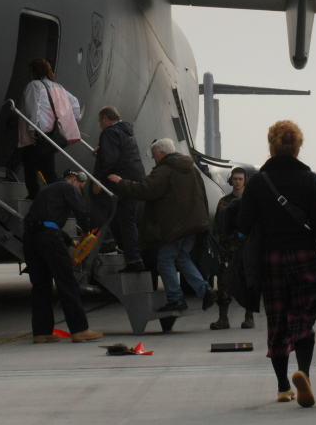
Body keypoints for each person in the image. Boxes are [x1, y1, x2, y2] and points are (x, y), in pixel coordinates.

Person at [238, 121, 316, 408]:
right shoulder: (308, 178)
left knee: (277, 320)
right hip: (305, 255)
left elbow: (243, 224)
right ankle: (303, 373)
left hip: (272, 259)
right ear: (297, 149)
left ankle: (282, 388)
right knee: (304, 317)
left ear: (271, 147)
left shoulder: (257, 181)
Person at [108, 138, 214, 313]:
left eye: (155, 154)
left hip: (175, 227)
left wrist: (121, 182)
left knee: (164, 261)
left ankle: (176, 298)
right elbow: (202, 194)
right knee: (182, 257)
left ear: (163, 153)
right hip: (193, 225)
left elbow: (145, 190)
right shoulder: (192, 169)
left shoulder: (165, 170)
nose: (153, 158)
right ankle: (205, 290)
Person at [23, 169, 103, 344]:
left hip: (30, 238)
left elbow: (45, 221)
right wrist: (85, 231)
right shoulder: (68, 187)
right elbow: (82, 211)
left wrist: (70, 241)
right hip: (49, 238)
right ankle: (80, 330)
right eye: (80, 187)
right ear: (74, 179)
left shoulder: (46, 191)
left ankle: (42, 333)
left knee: (40, 285)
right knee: (67, 282)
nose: (79, 191)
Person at [92, 106, 148, 273]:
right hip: (134, 182)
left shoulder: (108, 132)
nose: (100, 125)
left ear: (106, 118)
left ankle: (107, 240)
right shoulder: (127, 131)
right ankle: (134, 260)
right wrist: (102, 148)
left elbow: (109, 159)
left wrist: (98, 179)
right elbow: (120, 150)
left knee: (96, 201)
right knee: (127, 221)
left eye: (100, 121)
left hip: (117, 178)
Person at [16, 58, 80, 199]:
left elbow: (32, 109)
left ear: (35, 72)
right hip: (52, 135)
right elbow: (75, 104)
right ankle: (57, 196)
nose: (28, 74)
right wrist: (69, 122)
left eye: (30, 71)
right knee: (48, 170)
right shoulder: (59, 87)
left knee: (30, 164)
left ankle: (37, 195)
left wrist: (31, 130)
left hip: (38, 134)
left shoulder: (34, 86)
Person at [210, 167, 253, 330]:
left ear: (245, 181)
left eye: (240, 179)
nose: (237, 182)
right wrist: (216, 246)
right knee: (223, 282)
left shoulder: (250, 202)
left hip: (245, 249)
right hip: (227, 249)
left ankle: (249, 317)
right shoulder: (224, 201)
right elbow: (217, 226)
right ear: (231, 180)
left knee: (247, 282)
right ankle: (223, 318)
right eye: (235, 179)